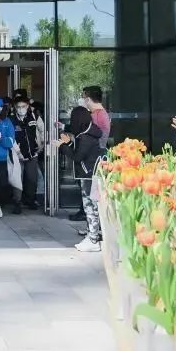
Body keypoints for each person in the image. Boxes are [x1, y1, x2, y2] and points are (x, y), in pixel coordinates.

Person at [59, 106, 105, 252]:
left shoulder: (85, 137)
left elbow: (77, 156)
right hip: (91, 174)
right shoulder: (89, 133)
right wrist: (69, 144)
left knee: (90, 207)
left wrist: (63, 146)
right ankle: (93, 235)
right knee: (92, 206)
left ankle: (93, 239)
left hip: (88, 175)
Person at [9, 93, 45, 212]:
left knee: (32, 178)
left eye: (23, 106)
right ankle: (17, 203)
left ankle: (30, 200)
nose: (21, 109)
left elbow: (42, 130)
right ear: (15, 107)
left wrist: (42, 144)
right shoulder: (11, 120)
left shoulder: (34, 116)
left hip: (32, 153)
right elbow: (10, 137)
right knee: (17, 179)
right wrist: (17, 152)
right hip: (17, 154)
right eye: (18, 107)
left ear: (28, 106)